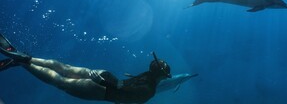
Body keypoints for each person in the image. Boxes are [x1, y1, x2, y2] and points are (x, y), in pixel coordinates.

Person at [0, 33, 171, 103]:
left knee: (65, 68)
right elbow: (121, 89)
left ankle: (26, 57)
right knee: (59, 81)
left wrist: (103, 78)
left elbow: (122, 84)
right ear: (163, 76)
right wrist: (103, 83)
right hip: (101, 89)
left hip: (104, 74)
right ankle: (23, 62)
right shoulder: (149, 90)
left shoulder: (146, 74)